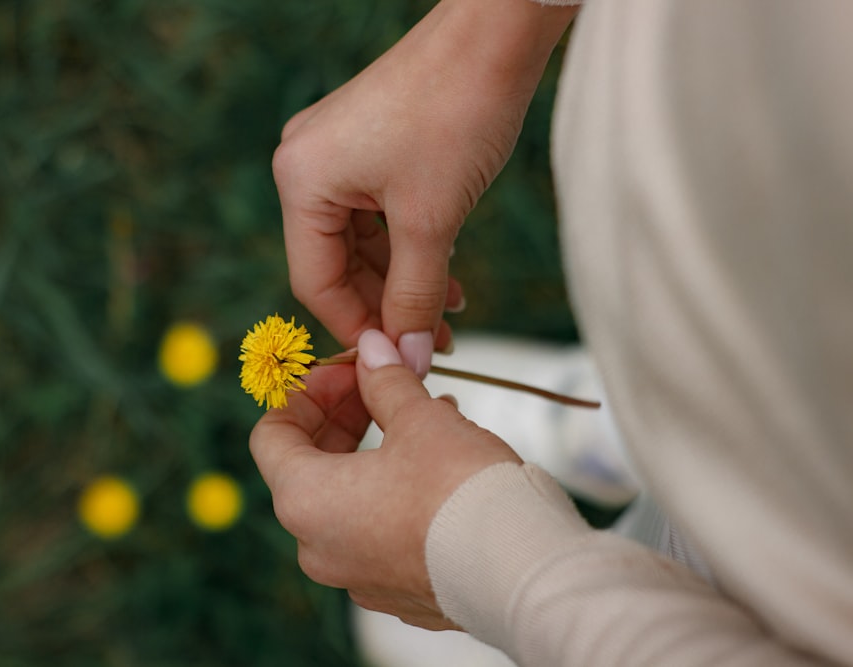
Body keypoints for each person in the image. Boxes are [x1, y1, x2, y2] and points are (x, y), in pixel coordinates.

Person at [249, 0, 853, 665]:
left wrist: (496, 567)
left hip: (799, 545)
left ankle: (607, 545)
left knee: (717, 531)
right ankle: (621, 425)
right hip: (760, 288)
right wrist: (491, 32)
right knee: (719, 350)